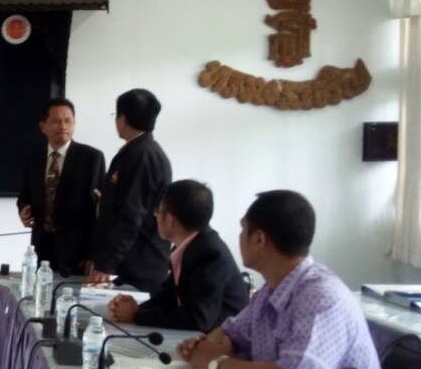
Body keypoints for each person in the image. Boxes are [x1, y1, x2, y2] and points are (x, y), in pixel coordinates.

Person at [177, 190, 384, 369]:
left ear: (259, 239)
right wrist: (207, 347)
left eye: (242, 229)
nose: (239, 237)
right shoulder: (272, 289)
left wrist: (216, 362)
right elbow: (231, 333)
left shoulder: (321, 297)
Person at [109, 180, 249, 332]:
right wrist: (136, 309)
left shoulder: (211, 255)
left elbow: (197, 318)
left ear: (169, 219)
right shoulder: (194, 244)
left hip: (229, 340)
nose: (155, 216)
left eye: (158, 211)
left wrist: (137, 315)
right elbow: (170, 295)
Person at [89, 88, 172, 294]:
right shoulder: (137, 150)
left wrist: (105, 265)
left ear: (122, 118)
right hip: (130, 261)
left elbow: (131, 215)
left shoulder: (142, 155)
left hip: (139, 265)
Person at [16, 98, 106, 277]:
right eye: (56, 121)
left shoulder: (91, 158)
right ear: (43, 126)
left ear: (74, 124)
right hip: (41, 248)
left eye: (68, 121)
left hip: (78, 253)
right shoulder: (33, 158)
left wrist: (93, 255)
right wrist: (23, 210)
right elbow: (24, 196)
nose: (63, 126)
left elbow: (97, 210)